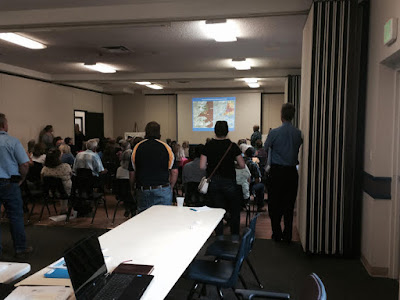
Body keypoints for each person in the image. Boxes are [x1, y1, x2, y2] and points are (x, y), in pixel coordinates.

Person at [200, 120, 245, 241]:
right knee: (234, 210)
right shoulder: (232, 146)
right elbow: (242, 165)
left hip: (214, 182)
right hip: (229, 182)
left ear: (214, 131)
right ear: (227, 131)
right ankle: (234, 237)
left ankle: (219, 237)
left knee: (217, 211)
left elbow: (202, 166)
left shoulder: (208, 145)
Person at [264, 103, 303, 242]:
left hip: (276, 172)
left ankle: (277, 233)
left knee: (274, 204)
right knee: (289, 204)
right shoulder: (298, 133)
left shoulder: (274, 133)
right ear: (293, 116)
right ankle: (288, 235)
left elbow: (265, 147)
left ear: (281, 116)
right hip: (292, 172)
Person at [0, 113, 33, 258]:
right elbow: (25, 164)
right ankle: (20, 248)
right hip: (9, 183)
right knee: (15, 216)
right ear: (4, 125)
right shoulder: (12, 141)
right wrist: (22, 179)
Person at [129, 121, 178, 212]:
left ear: (146, 132)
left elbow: (132, 172)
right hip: (162, 189)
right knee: (163, 219)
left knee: (144, 219)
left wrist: (132, 188)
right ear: (159, 132)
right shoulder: (166, 147)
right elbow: (174, 171)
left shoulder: (137, 147)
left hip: (143, 189)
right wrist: (170, 187)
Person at [41, 148, 72, 213]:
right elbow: (71, 175)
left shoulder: (44, 169)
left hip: (51, 192)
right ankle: (65, 209)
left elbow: (42, 179)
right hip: (65, 192)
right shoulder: (66, 167)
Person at [244, 147, 266, 212]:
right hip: (249, 187)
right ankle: (260, 206)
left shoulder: (239, 163)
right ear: (253, 155)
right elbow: (257, 179)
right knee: (261, 186)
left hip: (238, 186)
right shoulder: (253, 164)